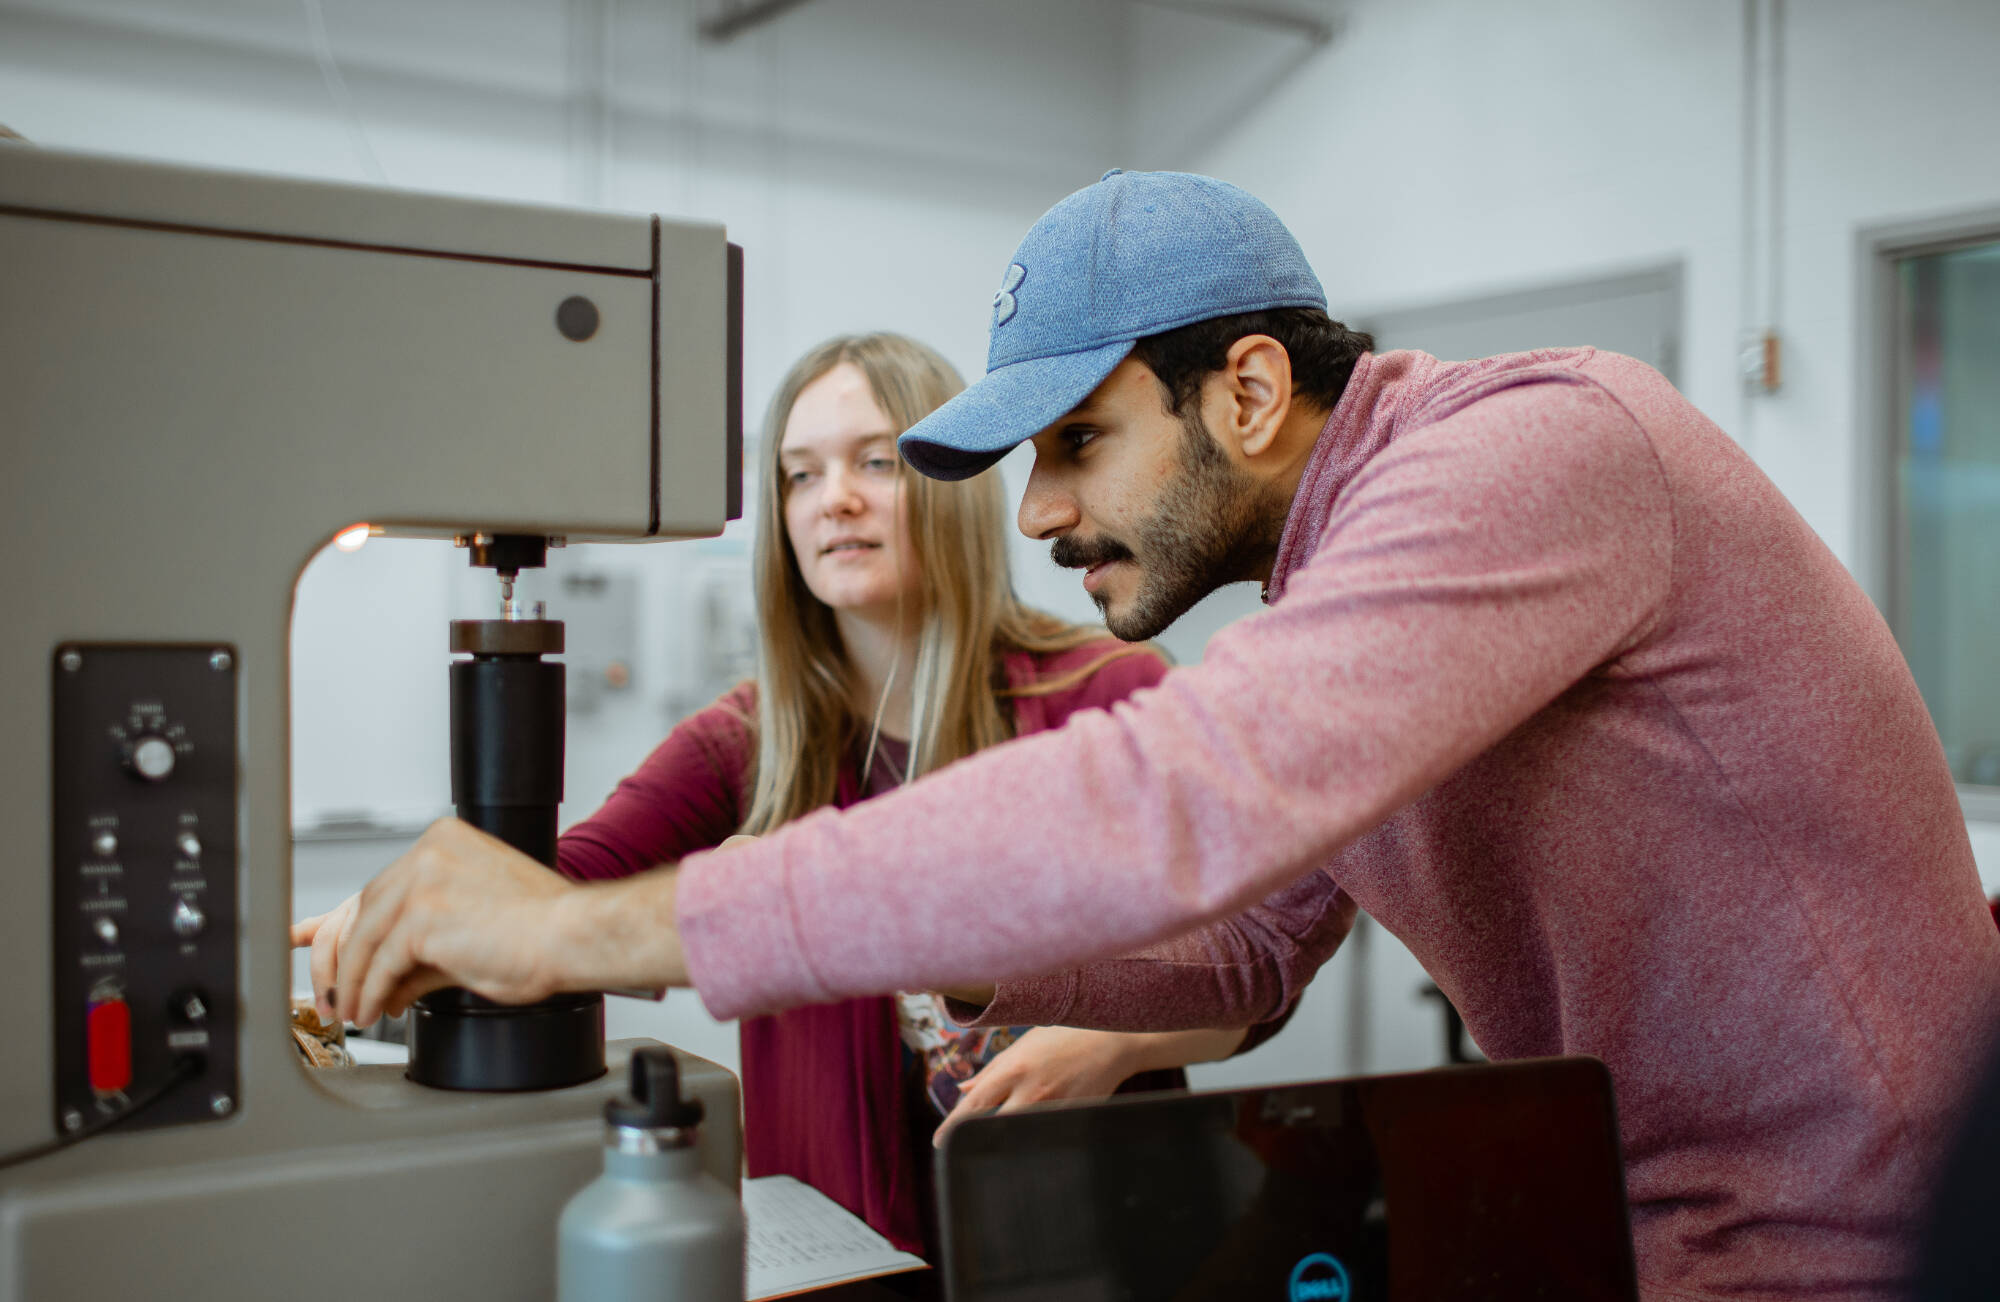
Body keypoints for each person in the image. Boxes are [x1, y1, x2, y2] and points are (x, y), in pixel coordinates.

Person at [309, 170, 2000, 1300]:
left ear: (1248, 393)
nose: (1037, 511)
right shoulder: (1337, 578)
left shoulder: (1539, 454)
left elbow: (1180, 800)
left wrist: (567, 930)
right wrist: (999, 972)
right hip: (1633, 1228)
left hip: (1862, 1241)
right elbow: (1259, 939)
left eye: (1080, 444)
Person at [297, 331, 1293, 1258]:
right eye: (799, 475)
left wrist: (1104, 1046)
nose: (833, 500)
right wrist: (410, 910)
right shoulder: (743, 738)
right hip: (847, 1247)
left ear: (950, 480)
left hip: (1103, 1239)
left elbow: (1255, 973)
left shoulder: (1104, 696)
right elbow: (557, 885)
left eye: (873, 461)